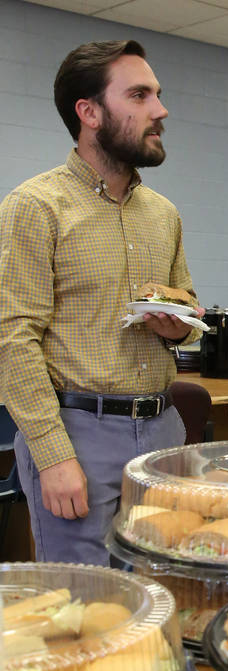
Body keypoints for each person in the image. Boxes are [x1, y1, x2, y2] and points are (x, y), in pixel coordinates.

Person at [0, 39, 202, 566]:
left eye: (157, 94)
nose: (160, 110)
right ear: (88, 112)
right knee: (87, 612)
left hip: (163, 433)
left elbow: (187, 307)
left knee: (165, 593)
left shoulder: (164, 215)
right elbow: (12, 339)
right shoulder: (34, 207)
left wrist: (177, 327)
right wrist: (53, 455)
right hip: (78, 435)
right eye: (139, 95)